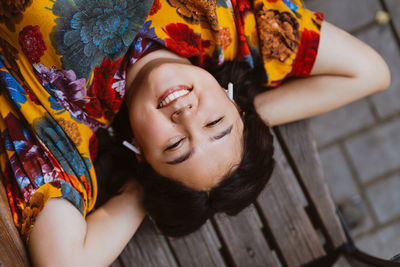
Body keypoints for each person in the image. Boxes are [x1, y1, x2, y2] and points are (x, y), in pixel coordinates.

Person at [0, 0, 389, 266]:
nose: (186, 115)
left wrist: (143, 189)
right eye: (216, 124)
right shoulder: (227, 26)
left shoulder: (61, 120)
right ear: (231, 99)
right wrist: (252, 116)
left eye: (175, 146)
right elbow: (370, 73)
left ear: (140, 151)